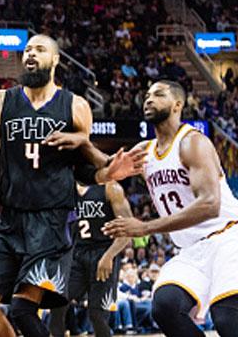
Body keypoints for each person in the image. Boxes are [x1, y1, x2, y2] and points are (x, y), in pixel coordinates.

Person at [0, 34, 144, 337]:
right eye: (27, 49)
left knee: (23, 311)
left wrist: (108, 172)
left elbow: (82, 168)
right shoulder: (0, 102)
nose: (30, 54)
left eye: (39, 50)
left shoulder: (75, 106)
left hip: (52, 222)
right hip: (10, 220)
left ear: (55, 60)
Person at [102, 80, 238, 337]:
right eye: (147, 94)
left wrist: (145, 227)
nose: (149, 99)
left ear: (178, 105)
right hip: (190, 249)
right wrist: (83, 147)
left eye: (159, 94)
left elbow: (210, 205)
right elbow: (104, 166)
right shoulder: (144, 151)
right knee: (165, 307)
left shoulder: (192, 143)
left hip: (228, 238)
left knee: (227, 319)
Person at [49, 181, 133, 337]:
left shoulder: (110, 189)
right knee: (57, 305)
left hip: (105, 252)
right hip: (77, 254)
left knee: (97, 314)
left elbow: (128, 229)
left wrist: (109, 256)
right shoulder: (66, 190)